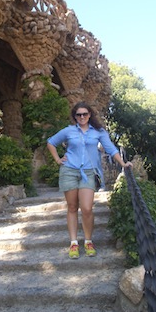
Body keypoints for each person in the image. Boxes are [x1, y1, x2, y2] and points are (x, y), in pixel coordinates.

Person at [47, 101, 132, 259]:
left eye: (84, 114)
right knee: (72, 207)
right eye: (78, 114)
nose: (82, 117)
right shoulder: (69, 131)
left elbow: (111, 149)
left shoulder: (98, 132)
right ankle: (73, 243)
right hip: (69, 170)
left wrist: (122, 163)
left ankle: (88, 241)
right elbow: (51, 142)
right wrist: (58, 160)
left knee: (86, 208)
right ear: (75, 116)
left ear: (89, 115)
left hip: (89, 172)